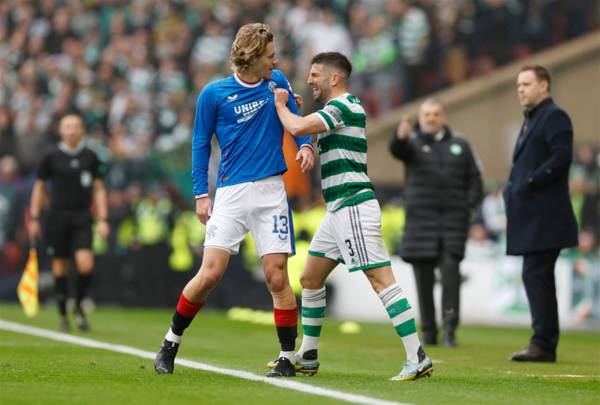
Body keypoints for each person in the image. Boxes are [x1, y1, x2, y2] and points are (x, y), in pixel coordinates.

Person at [153, 23, 315, 377]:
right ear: (252, 58)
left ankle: (287, 357)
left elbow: (296, 119)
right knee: (210, 273)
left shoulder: (277, 81)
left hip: (271, 191)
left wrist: (305, 146)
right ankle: (170, 342)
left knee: (276, 276)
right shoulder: (213, 94)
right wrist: (201, 194)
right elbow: (200, 144)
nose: (276, 61)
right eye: (270, 56)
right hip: (230, 194)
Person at [272, 51, 432, 381]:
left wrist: (281, 105)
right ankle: (309, 355)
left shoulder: (343, 106)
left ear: (334, 78)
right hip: (337, 210)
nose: (310, 79)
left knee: (380, 279)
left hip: (354, 204)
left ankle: (416, 355)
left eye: (315, 74)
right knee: (310, 279)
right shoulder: (337, 109)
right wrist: (307, 143)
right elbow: (308, 131)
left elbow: (298, 126)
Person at [389, 99, 483, 347]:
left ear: (443, 116)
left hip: (452, 224)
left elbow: (475, 180)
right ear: (420, 118)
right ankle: (429, 331)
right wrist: (399, 137)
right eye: (426, 114)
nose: (431, 118)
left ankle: (450, 330)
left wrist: (467, 208)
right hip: (420, 224)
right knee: (424, 282)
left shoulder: (460, 145)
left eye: (435, 114)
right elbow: (397, 150)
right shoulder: (411, 143)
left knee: (451, 277)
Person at [504, 65, 578, 362]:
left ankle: (543, 343)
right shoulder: (534, 118)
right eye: (518, 85)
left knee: (536, 275)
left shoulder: (554, 116)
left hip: (546, 217)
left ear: (544, 86)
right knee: (537, 276)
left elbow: (561, 158)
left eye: (526, 84)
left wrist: (529, 182)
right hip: (535, 216)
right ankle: (543, 342)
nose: (520, 90)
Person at [28, 114, 109, 332]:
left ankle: (79, 307)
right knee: (60, 267)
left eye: (75, 126)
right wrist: (34, 217)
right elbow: (39, 187)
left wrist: (103, 218)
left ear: (82, 130)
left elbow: (99, 188)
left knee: (86, 265)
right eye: (68, 127)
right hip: (57, 217)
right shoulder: (51, 156)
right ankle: (63, 312)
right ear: (61, 131)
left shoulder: (90, 157)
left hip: (82, 216)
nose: (72, 130)